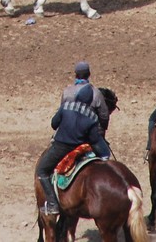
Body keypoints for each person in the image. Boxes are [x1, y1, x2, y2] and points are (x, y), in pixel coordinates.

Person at [35, 60, 113, 218]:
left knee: (42, 170)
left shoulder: (67, 93)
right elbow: (103, 117)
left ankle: (52, 203)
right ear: (89, 74)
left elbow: (55, 123)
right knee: (105, 159)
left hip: (63, 143)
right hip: (86, 140)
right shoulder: (96, 97)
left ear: (76, 74)